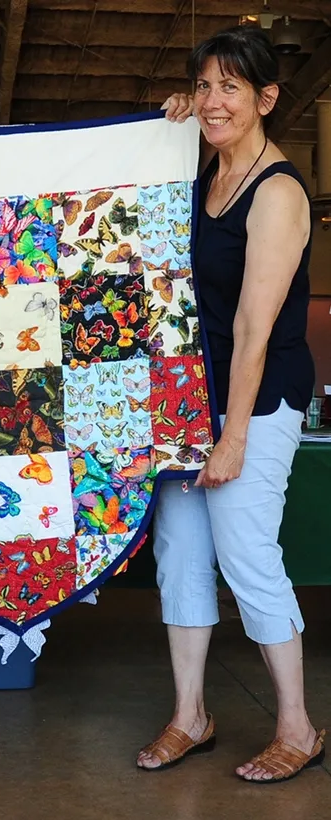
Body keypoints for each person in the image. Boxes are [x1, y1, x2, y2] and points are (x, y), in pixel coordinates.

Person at [137, 26, 325, 782]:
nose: (214, 102)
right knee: (180, 553)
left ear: (268, 99)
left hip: (256, 395)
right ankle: (192, 715)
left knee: (247, 555)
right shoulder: (200, 172)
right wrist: (173, 121)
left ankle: (299, 728)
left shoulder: (276, 193)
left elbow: (253, 328)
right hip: (188, 398)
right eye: (205, 84)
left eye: (231, 89)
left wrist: (234, 436)